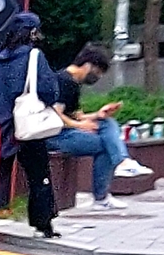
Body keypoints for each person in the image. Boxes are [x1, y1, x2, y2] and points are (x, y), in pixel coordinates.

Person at [0, 10, 60, 238]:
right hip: (25, 126)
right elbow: (49, 91)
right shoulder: (34, 57)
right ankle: (43, 224)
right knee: (39, 174)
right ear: (32, 32)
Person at [51, 41, 150, 210]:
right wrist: (80, 125)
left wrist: (98, 115)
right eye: (98, 72)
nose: (98, 77)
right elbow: (54, 115)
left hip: (66, 131)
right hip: (55, 136)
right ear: (88, 65)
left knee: (107, 122)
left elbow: (76, 114)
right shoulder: (63, 81)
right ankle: (102, 196)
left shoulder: (74, 83)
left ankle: (123, 162)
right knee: (105, 145)